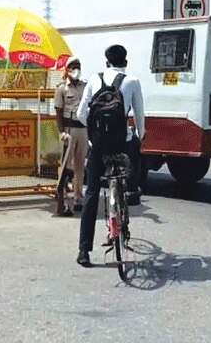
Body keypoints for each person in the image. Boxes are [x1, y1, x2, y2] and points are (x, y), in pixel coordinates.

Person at [75, 44, 145, 267]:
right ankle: (132, 189)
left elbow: (81, 113)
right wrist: (139, 136)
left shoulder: (94, 80)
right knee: (135, 148)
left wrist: (93, 135)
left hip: (98, 145)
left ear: (106, 63)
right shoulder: (132, 81)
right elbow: (140, 117)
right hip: (121, 143)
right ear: (125, 62)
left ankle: (84, 251)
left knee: (92, 193)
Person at [54, 57, 87, 217]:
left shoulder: (85, 86)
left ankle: (78, 198)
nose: (76, 69)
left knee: (80, 166)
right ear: (67, 70)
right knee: (66, 166)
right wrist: (61, 132)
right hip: (69, 128)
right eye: (73, 67)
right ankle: (63, 199)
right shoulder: (61, 88)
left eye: (78, 66)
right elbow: (58, 113)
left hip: (83, 129)